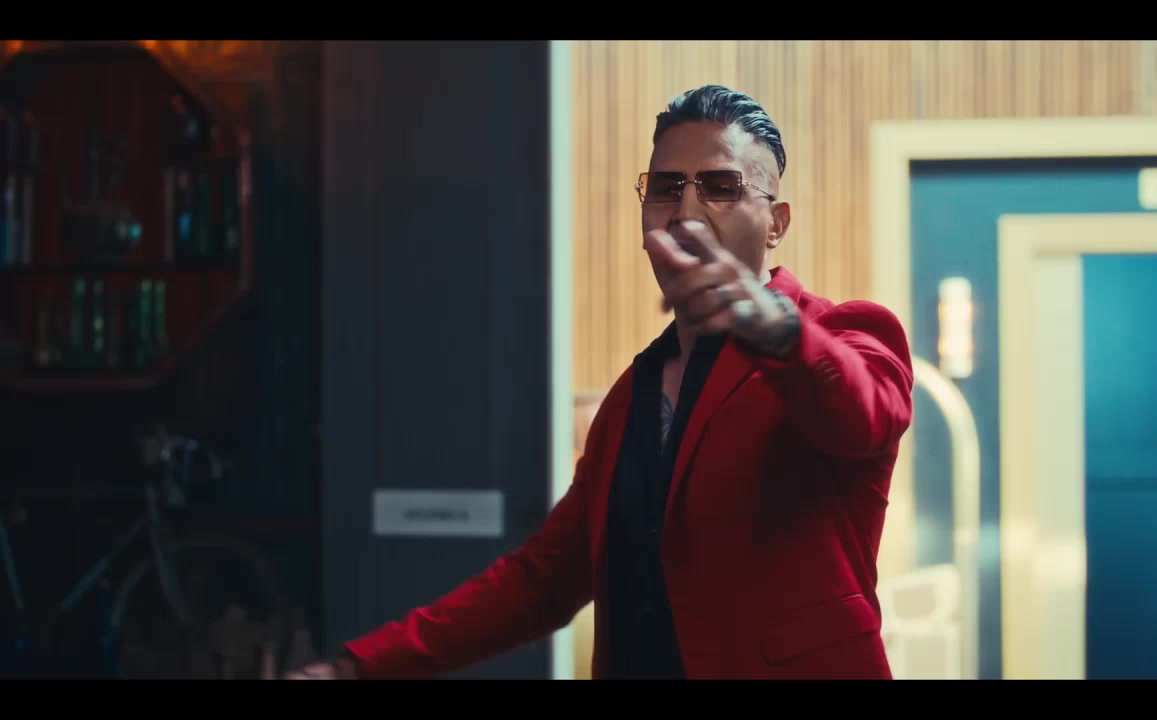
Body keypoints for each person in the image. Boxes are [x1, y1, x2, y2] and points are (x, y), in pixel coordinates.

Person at [286, 84, 913, 680]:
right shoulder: (630, 400)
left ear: (775, 223)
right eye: (665, 189)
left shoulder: (844, 333)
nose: (687, 213)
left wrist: (771, 325)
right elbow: (540, 581)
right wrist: (361, 666)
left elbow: (862, 414)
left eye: (720, 187)